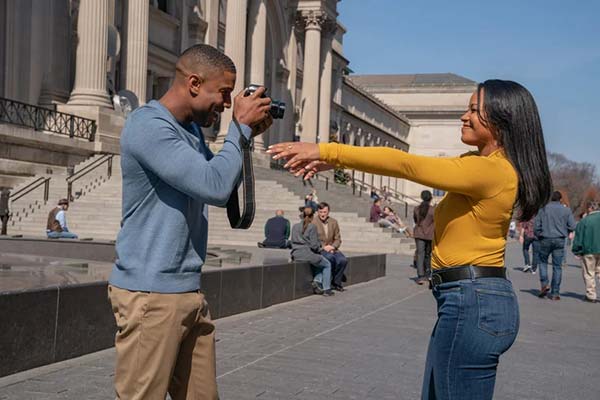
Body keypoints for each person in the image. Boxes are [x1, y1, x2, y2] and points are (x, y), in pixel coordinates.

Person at [268, 79, 552, 399]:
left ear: (502, 120)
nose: (463, 116)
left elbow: (406, 163)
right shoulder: (485, 168)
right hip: (471, 299)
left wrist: (328, 151)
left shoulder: (491, 172)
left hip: (472, 301)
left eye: (474, 109)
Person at [107, 44, 272, 400]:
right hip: (151, 293)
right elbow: (212, 186)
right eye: (224, 93)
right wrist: (238, 130)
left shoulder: (191, 131)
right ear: (194, 83)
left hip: (187, 290)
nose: (228, 105)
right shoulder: (148, 126)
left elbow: (218, 176)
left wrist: (245, 138)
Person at [534, 190, 576, 300]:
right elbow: (572, 226)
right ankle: (555, 293)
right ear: (560, 199)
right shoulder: (566, 210)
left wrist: (539, 235)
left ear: (550, 198)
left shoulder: (543, 209)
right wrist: (565, 231)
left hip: (545, 238)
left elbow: (536, 226)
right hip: (559, 239)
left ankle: (544, 284)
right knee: (557, 267)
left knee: (542, 262)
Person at [291, 206, 334, 296]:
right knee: (327, 264)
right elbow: (314, 246)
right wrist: (322, 248)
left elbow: (292, 241)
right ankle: (327, 289)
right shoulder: (312, 227)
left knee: (319, 261)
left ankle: (317, 281)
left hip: (296, 254)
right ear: (312, 216)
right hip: (308, 254)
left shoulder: (295, 226)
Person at [313, 202, 347, 291]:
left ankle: (336, 282)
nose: (322, 214)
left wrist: (332, 247)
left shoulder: (333, 222)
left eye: (324, 212)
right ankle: (328, 281)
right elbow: (313, 239)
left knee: (342, 260)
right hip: (321, 249)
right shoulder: (313, 222)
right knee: (330, 258)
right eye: (320, 212)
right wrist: (324, 247)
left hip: (332, 248)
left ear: (328, 212)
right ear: (317, 212)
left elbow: (338, 238)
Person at [571, 201, 600, 303]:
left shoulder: (584, 221)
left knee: (589, 273)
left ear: (589, 209)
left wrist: (576, 250)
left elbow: (579, 238)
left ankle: (591, 295)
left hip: (589, 250)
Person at [413, 190, 435, 285]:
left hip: (419, 233)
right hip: (430, 234)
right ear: (430, 198)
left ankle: (420, 276)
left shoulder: (416, 209)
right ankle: (428, 273)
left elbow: (415, 220)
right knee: (428, 254)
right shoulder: (433, 210)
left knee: (420, 254)